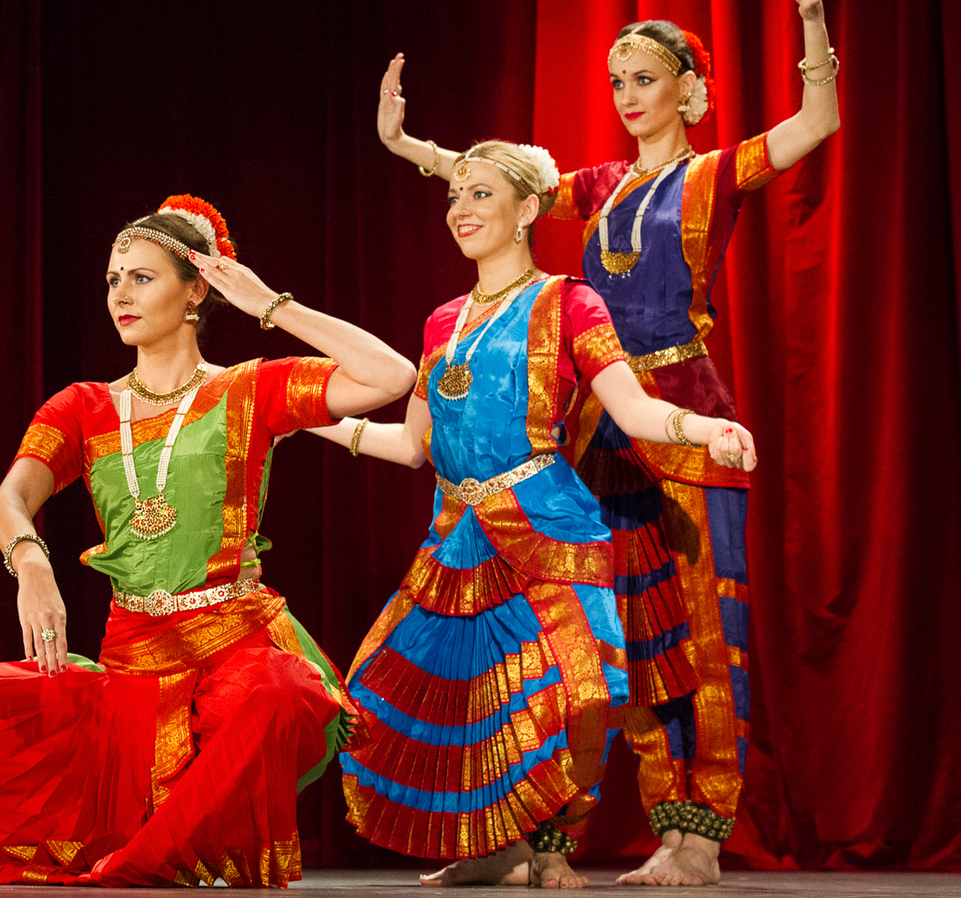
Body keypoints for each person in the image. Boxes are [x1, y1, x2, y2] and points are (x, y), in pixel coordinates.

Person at [373, 0, 839, 885]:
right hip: (591, 427)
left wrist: (811, 28)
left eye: (645, 79)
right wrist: (409, 147)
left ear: (689, 92)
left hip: (679, 409)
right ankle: (532, 837)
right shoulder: (595, 187)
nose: (627, 94)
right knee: (581, 628)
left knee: (696, 632)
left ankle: (694, 835)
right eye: (617, 80)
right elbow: (502, 187)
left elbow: (816, 122)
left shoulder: (712, 174)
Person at [0, 195, 416, 888]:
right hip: (129, 664)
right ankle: (162, 843)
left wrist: (270, 307)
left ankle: (154, 853)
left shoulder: (246, 391)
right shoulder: (83, 407)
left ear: (196, 291)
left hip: (233, 651)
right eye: (111, 279)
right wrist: (30, 561)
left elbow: (391, 376)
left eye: (140, 277)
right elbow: (11, 501)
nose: (119, 294)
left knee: (284, 692)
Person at [310, 142, 757, 888]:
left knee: (574, 691)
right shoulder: (441, 321)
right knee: (429, 692)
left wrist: (703, 428)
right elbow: (411, 446)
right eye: (455, 196)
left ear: (525, 211)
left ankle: (551, 847)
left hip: (548, 523)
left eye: (481, 195)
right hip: (458, 533)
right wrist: (301, 414)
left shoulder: (569, 302)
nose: (461, 210)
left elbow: (634, 408)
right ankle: (497, 844)